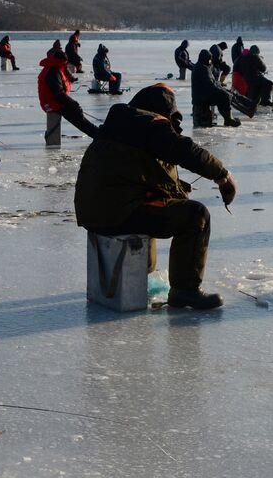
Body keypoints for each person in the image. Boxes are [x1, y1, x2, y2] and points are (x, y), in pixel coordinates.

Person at [73, 83, 238, 311]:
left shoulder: (121, 123)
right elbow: (184, 150)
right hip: (118, 212)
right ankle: (185, 291)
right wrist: (222, 175)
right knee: (196, 215)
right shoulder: (149, 123)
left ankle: (144, 277)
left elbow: (138, 173)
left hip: (95, 211)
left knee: (156, 204)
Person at [38, 45, 99, 138]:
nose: (65, 64)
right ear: (60, 61)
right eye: (64, 62)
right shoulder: (52, 72)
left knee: (77, 114)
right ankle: (96, 133)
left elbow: (64, 79)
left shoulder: (55, 67)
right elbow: (58, 93)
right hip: (51, 103)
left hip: (54, 101)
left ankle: (96, 132)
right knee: (76, 115)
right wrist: (73, 104)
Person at [191, 48, 241, 126]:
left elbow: (211, 83)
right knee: (224, 96)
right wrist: (222, 91)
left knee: (224, 94)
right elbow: (210, 85)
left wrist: (220, 87)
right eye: (209, 59)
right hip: (202, 97)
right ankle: (228, 119)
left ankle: (228, 118)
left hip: (202, 95)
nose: (210, 61)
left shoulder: (201, 66)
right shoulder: (203, 68)